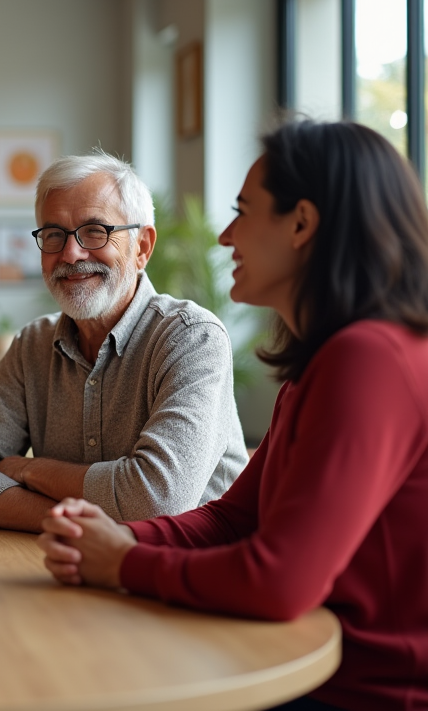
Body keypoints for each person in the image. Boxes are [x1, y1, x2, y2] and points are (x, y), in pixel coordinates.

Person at [39, 121, 428, 711]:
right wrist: (118, 538)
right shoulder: (324, 363)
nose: (224, 236)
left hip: (356, 688)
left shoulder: (368, 360)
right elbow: (232, 520)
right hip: (295, 658)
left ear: (301, 223)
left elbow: (280, 582)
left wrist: (124, 561)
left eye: (243, 211)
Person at [0, 151, 248, 532]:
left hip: (185, 574)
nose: (71, 253)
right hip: (64, 563)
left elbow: (155, 498)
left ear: (142, 248)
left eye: (95, 231)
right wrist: (67, 521)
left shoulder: (192, 338)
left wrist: (28, 469)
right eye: (53, 235)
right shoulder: (32, 345)